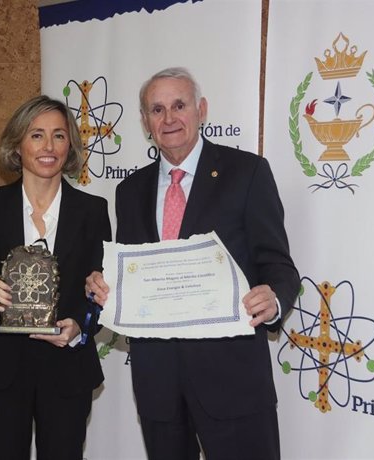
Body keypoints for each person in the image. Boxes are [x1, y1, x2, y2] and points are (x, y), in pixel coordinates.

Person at [85, 67, 300, 460]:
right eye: (157, 109)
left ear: (201, 109)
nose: (169, 119)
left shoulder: (247, 173)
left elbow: (279, 266)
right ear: (145, 122)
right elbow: (132, 274)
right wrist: (105, 288)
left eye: (179, 105)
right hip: (158, 383)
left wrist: (274, 299)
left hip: (233, 379)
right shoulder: (129, 191)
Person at [0, 95, 111, 460]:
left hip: (66, 367)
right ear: (17, 145)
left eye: (59, 135)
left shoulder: (93, 211)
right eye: (37, 135)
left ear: (69, 144)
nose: (48, 146)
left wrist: (80, 326)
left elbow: (101, 290)